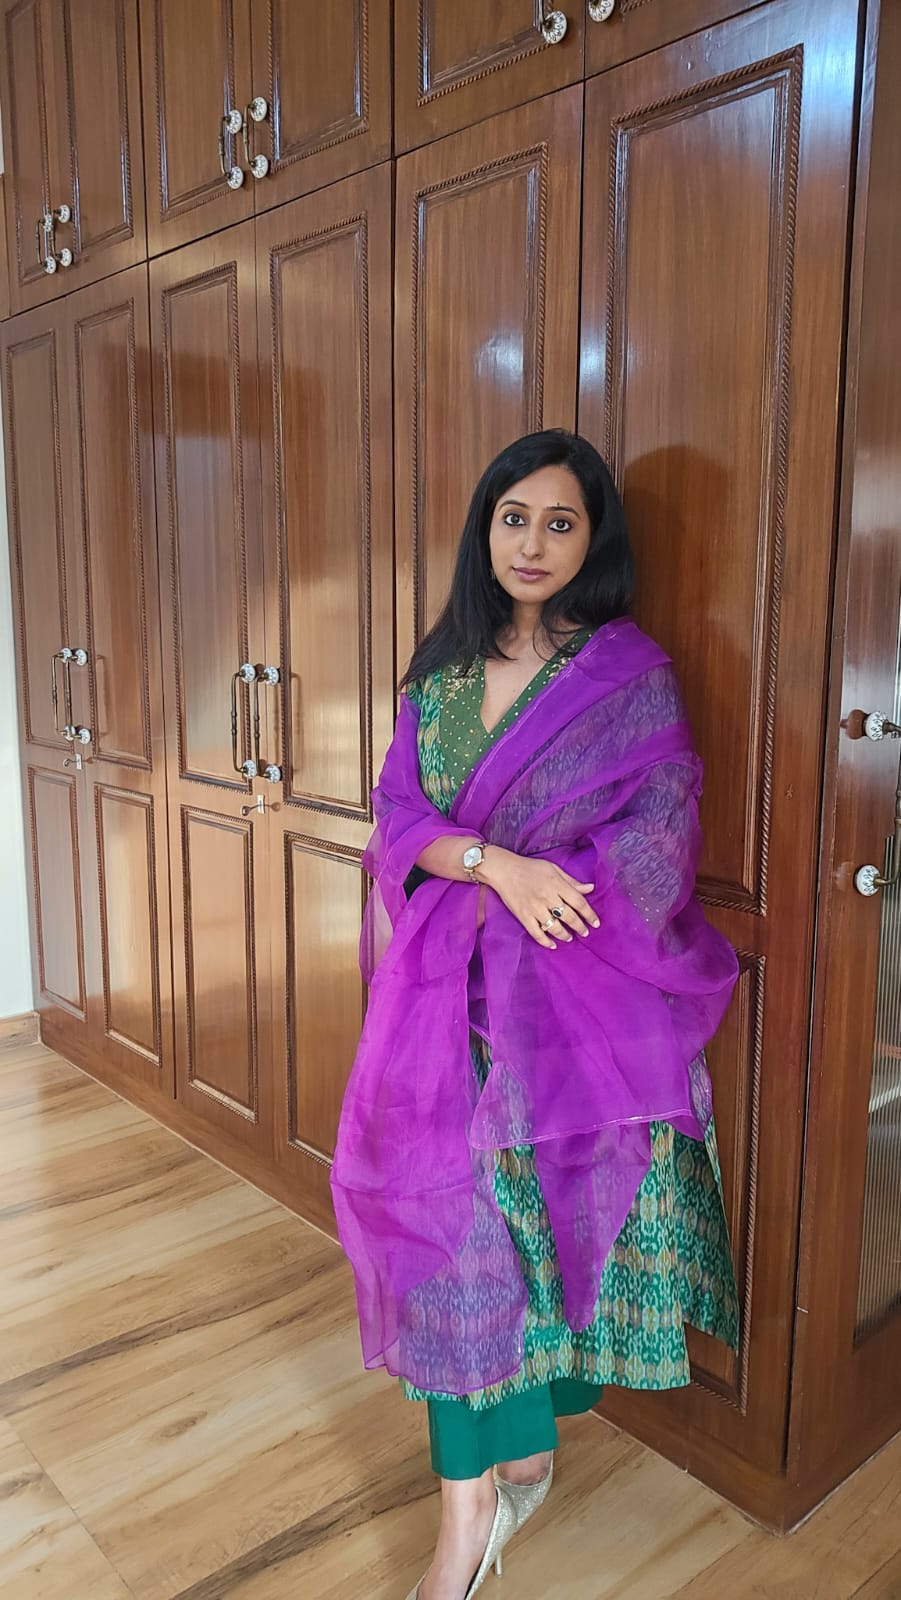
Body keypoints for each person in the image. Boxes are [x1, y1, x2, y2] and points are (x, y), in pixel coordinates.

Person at [330, 430, 741, 1600]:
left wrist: (530, 890)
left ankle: (527, 1439)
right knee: (449, 1258)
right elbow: (395, 819)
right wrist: (496, 866)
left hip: (569, 1030)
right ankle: (462, 1527)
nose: (532, 541)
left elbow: (662, 838)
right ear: (484, 526)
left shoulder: (628, 674)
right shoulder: (441, 677)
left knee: (549, 1267)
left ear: (592, 541)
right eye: (514, 515)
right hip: (435, 1019)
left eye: (561, 521)